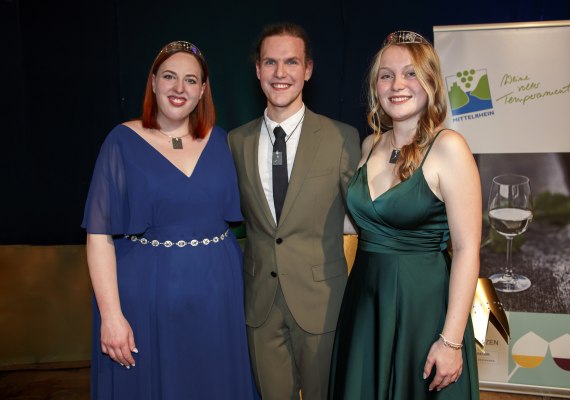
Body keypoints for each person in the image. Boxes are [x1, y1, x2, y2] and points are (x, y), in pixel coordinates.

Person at [82, 41, 255, 399]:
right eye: (170, 77)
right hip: (147, 298)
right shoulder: (121, 141)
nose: (179, 88)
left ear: (203, 89)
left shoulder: (222, 141)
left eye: (191, 80)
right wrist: (111, 316)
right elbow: (98, 235)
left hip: (219, 296)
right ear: (154, 82)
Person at [328, 31, 482, 399]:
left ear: (430, 82)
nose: (397, 84)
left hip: (423, 312)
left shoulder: (449, 148)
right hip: (365, 306)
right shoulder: (370, 145)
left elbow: (467, 250)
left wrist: (451, 341)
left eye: (410, 73)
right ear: (375, 86)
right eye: (386, 75)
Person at [228, 23, 360, 400]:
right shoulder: (235, 142)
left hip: (321, 303)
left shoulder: (341, 138)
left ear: (308, 70)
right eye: (271, 62)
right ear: (257, 70)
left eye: (291, 62)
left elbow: (369, 213)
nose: (280, 73)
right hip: (260, 305)